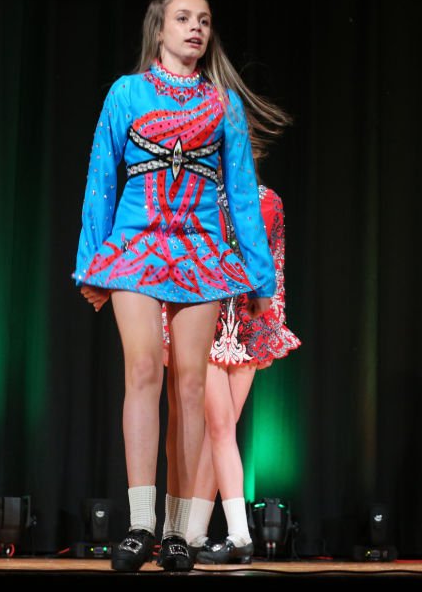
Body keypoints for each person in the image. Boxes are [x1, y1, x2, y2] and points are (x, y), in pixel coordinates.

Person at [73, 0, 290, 572]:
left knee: (191, 385)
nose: (196, 28)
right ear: (160, 29)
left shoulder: (223, 106)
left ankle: (178, 532)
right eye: (183, 18)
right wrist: (91, 262)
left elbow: (243, 196)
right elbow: (101, 179)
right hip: (136, 247)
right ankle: (141, 524)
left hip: (201, 251)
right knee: (143, 370)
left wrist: (262, 282)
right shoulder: (127, 94)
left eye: (204, 20)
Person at [160, 181, 300, 565]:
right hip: (203, 321)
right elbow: (175, 264)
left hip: (248, 325)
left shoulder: (270, 200)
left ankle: (196, 532)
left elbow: (275, 267)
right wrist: (167, 326)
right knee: (220, 428)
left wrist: (271, 325)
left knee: (220, 432)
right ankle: (237, 532)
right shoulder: (195, 195)